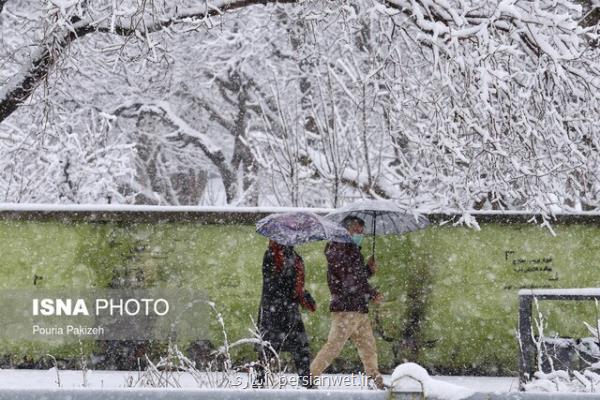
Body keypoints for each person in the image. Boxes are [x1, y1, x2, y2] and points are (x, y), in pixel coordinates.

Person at [310, 215, 385, 389]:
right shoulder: (339, 250)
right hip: (346, 309)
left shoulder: (351, 250)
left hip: (358, 307)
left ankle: (374, 380)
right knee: (334, 347)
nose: (360, 234)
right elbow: (351, 281)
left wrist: (368, 270)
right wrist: (372, 293)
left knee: (368, 347)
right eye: (357, 230)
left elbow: (356, 277)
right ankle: (310, 377)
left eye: (362, 231)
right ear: (346, 230)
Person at [255, 240, 316, 388]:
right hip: (273, 311)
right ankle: (258, 384)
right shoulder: (271, 254)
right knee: (267, 349)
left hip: (290, 311)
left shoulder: (294, 256)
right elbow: (273, 283)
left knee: (301, 347)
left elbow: (297, 284)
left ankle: (306, 382)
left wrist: (304, 295)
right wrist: (292, 289)